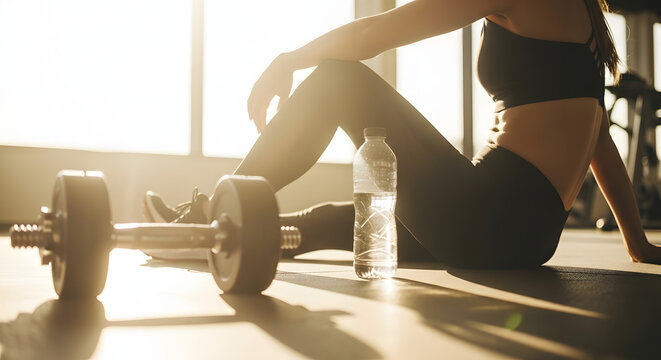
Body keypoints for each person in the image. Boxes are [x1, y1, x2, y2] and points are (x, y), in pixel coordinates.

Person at [144, 0, 661, 267]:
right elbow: (596, 137)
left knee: (337, 80)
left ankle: (209, 216)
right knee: (328, 222)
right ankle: (221, 237)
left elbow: (374, 33)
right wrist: (636, 242)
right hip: (528, 237)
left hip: (487, 215)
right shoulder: (588, 23)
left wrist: (291, 58)